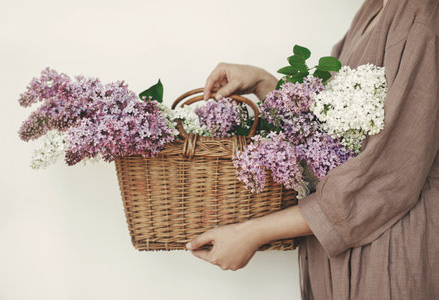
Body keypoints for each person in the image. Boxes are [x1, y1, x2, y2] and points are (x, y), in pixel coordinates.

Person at [186, 0, 439, 298]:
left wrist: (252, 232)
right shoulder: (371, 10)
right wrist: (265, 83)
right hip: (335, 255)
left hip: (387, 250)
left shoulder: (424, 15)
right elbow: (331, 136)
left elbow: (389, 175)